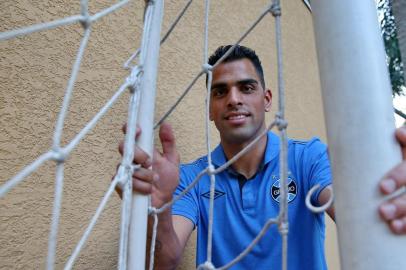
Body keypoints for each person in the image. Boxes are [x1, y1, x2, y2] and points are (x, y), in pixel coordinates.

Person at [117, 45, 406, 269]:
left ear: (266, 100)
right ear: (210, 108)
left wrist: (389, 188)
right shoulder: (192, 177)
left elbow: (356, 216)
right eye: (220, 91)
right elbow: (164, 262)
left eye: (246, 87)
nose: (233, 99)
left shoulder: (307, 158)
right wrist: (158, 207)